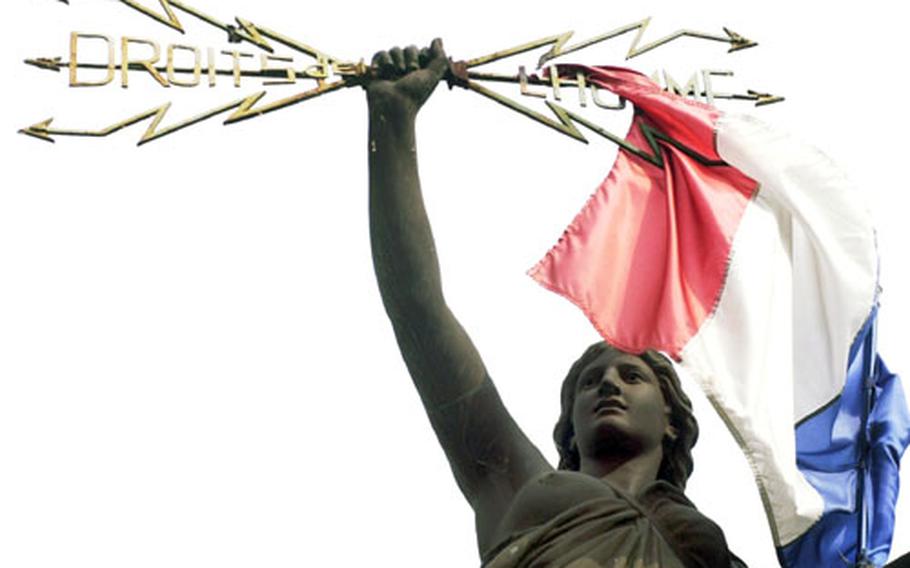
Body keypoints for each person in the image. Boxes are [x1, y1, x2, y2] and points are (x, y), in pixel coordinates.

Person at [365, 38, 746, 568]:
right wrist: (392, 119)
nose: (609, 384)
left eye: (632, 377)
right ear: (570, 425)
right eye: (590, 383)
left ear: (672, 422)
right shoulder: (517, 486)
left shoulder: (715, 556)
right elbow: (417, 308)